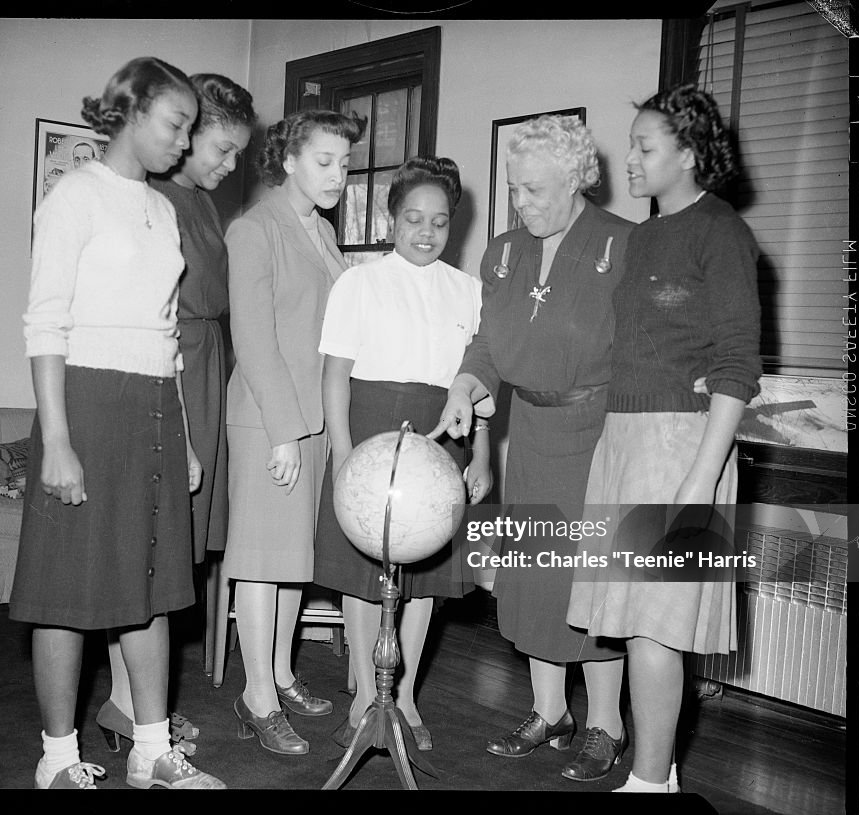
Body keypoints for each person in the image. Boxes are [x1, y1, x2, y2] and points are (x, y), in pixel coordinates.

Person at [9, 56, 224, 790]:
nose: (185, 142)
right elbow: (45, 323)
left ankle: (151, 749)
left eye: (193, 129)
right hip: (86, 405)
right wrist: (58, 440)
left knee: (152, 583)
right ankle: (59, 758)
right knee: (67, 592)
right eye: (175, 125)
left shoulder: (162, 209)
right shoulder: (74, 195)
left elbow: (165, 335)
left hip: (154, 407)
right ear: (130, 112)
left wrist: (187, 436)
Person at [566, 84, 761, 793]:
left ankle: (650, 783)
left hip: (682, 447)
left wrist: (700, 478)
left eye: (646, 148)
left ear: (688, 153)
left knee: (655, 627)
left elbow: (738, 364)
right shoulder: (645, 234)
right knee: (634, 623)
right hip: (626, 441)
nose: (633, 161)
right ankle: (657, 776)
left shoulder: (722, 233)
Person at [430, 114, 632, 781]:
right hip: (536, 435)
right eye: (516, 189)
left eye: (536, 191)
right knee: (540, 575)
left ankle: (606, 722)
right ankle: (550, 710)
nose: (522, 203)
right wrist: (466, 383)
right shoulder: (504, 252)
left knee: (595, 580)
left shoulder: (624, 244)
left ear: (576, 180)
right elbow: (488, 341)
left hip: (600, 435)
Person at [98, 72, 256, 753]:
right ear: (186, 136)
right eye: (220, 149)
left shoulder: (195, 200)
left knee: (171, 557)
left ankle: (132, 703)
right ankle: (126, 705)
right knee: (148, 552)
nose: (226, 165)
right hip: (173, 371)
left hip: (205, 366)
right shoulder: (154, 196)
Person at [315, 156, 493, 753]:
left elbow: (478, 385)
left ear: (453, 227)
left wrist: (481, 455)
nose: (426, 231)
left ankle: (406, 695)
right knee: (365, 576)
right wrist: (342, 456)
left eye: (439, 222)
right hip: (370, 433)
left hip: (443, 439)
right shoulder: (358, 283)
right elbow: (335, 378)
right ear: (391, 218)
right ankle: (367, 697)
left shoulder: (468, 290)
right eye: (413, 218)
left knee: (425, 580)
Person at [223, 109, 365, 755]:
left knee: (290, 564)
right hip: (269, 417)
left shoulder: (323, 230)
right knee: (259, 562)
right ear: (290, 160)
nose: (338, 174)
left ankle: (279, 674)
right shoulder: (256, 228)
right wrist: (283, 430)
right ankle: (255, 698)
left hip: (309, 417)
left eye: (344, 162)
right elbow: (253, 339)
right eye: (324, 161)